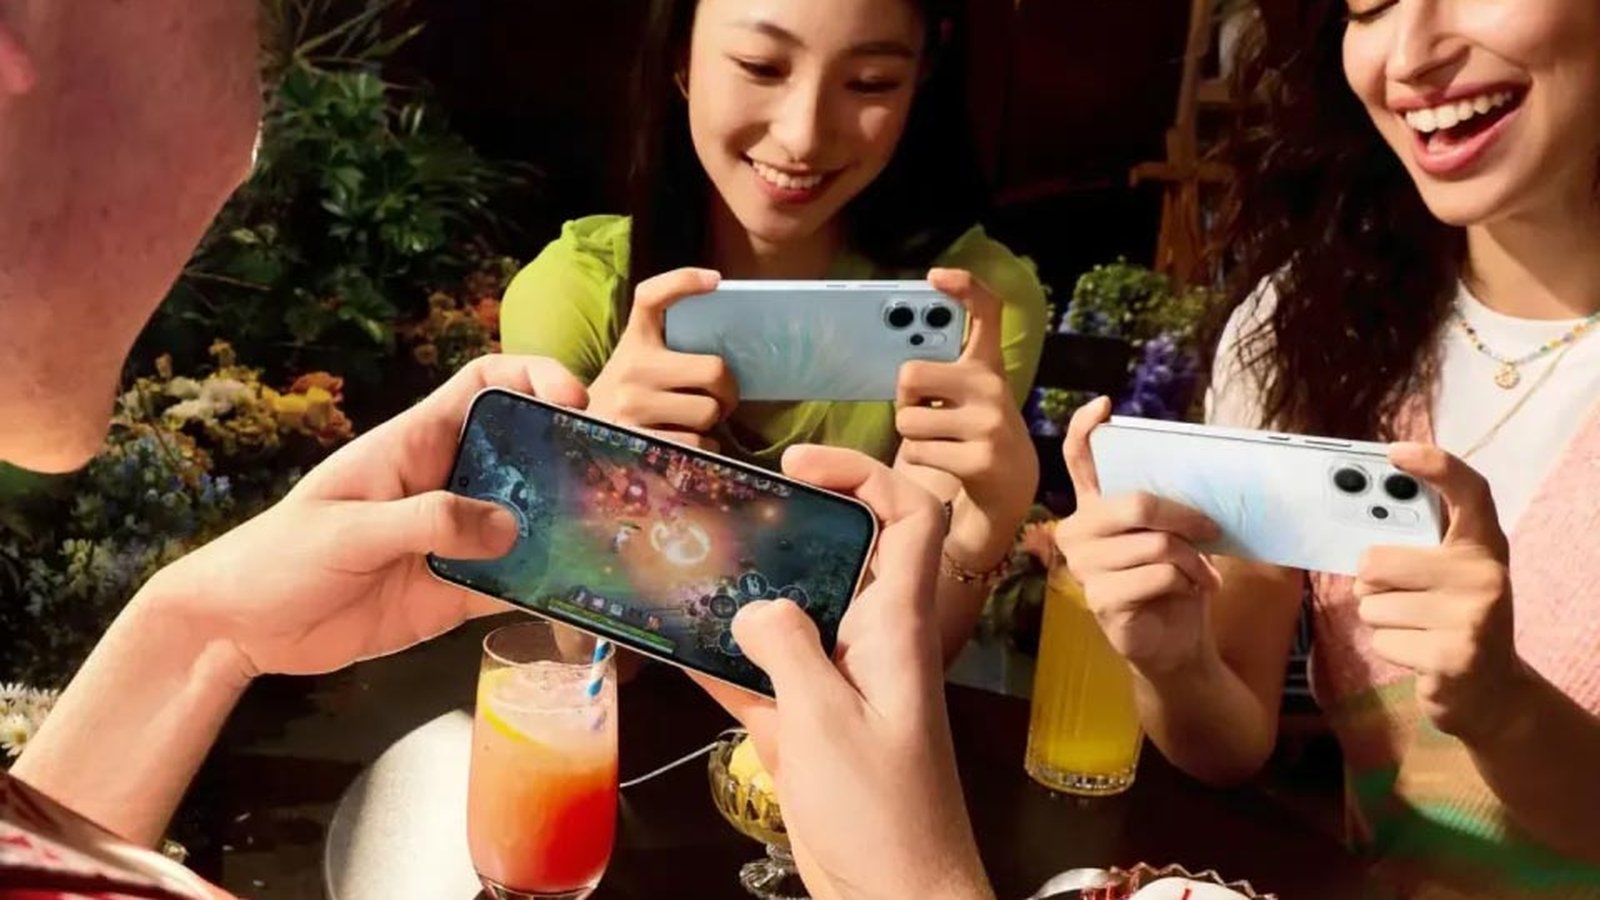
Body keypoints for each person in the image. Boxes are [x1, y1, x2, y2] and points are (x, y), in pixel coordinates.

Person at [0, 3, 992, 899]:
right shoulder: (578, 282)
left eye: (871, 79)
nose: (252, 133)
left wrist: (192, 633)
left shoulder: (977, 289)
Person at [1055, 1, 1600, 896]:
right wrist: (1173, 656)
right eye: (1368, 5)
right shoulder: (1308, 324)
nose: (1411, 56)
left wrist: (1502, 708)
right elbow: (1229, 738)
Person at [501, 0, 1048, 659]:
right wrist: (597, 493)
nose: (803, 136)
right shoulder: (576, 296)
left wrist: (983, 529)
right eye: (761, 67)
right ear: (681, 55)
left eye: (870, 82)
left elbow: (891, 674)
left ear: (922, 75)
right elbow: (585, 673)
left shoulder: (976, 307)